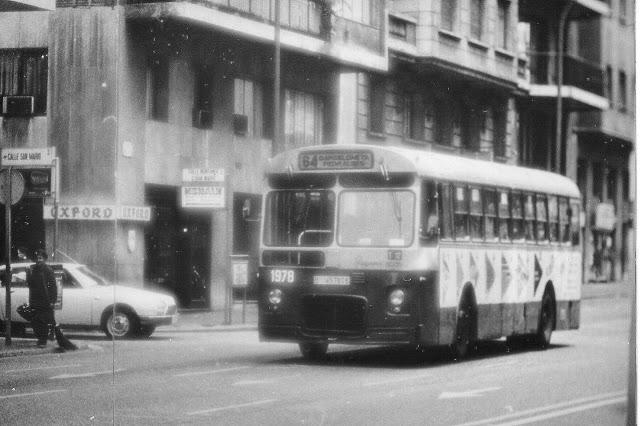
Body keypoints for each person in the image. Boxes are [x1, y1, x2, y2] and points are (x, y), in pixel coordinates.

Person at [27, 249, 57, 348]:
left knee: (42, 320)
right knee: (35, 320)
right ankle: (40, 338)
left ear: (44, 259)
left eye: (40, 258)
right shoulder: (33, 269)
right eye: (37, 258)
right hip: (35, 299)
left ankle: (43, 341)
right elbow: (30, 284)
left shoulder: (48, 270)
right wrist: (28, 273)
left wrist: (53, 300)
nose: (38, 260)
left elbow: (53, 286)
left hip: (45, 299)